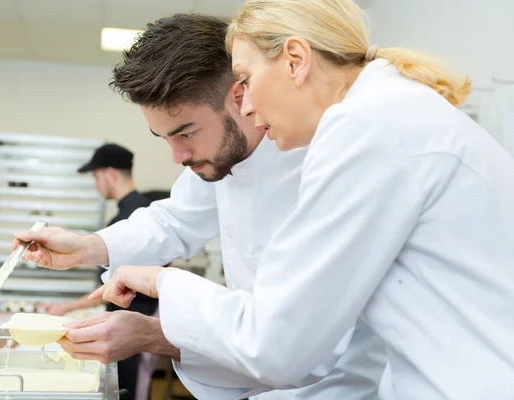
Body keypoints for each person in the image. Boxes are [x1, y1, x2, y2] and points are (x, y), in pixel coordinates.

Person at [89, 1, 514, 399]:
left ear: (296, 60)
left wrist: (163, 283)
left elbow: (277, 343)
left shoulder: (366, 128)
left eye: (248, 81)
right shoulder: (387, 111)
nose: (248, 106)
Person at [13, 14, 387, 400]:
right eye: (164, 138)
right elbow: (174, 221)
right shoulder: (219, 158)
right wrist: (84, 246)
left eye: (186, 132)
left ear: (241, 96)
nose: (177, 156)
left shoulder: (319, 160)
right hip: (261, 377)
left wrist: (158, 327)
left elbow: (297, 344)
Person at [36, 142, 163, 400]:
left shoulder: (133, 218)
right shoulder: (139, 212)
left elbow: (123, 283)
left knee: (132, 393)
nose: (96, 185)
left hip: (137, 324)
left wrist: (66, 308)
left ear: (111, 174)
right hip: (128, 321)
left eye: (96, 177)